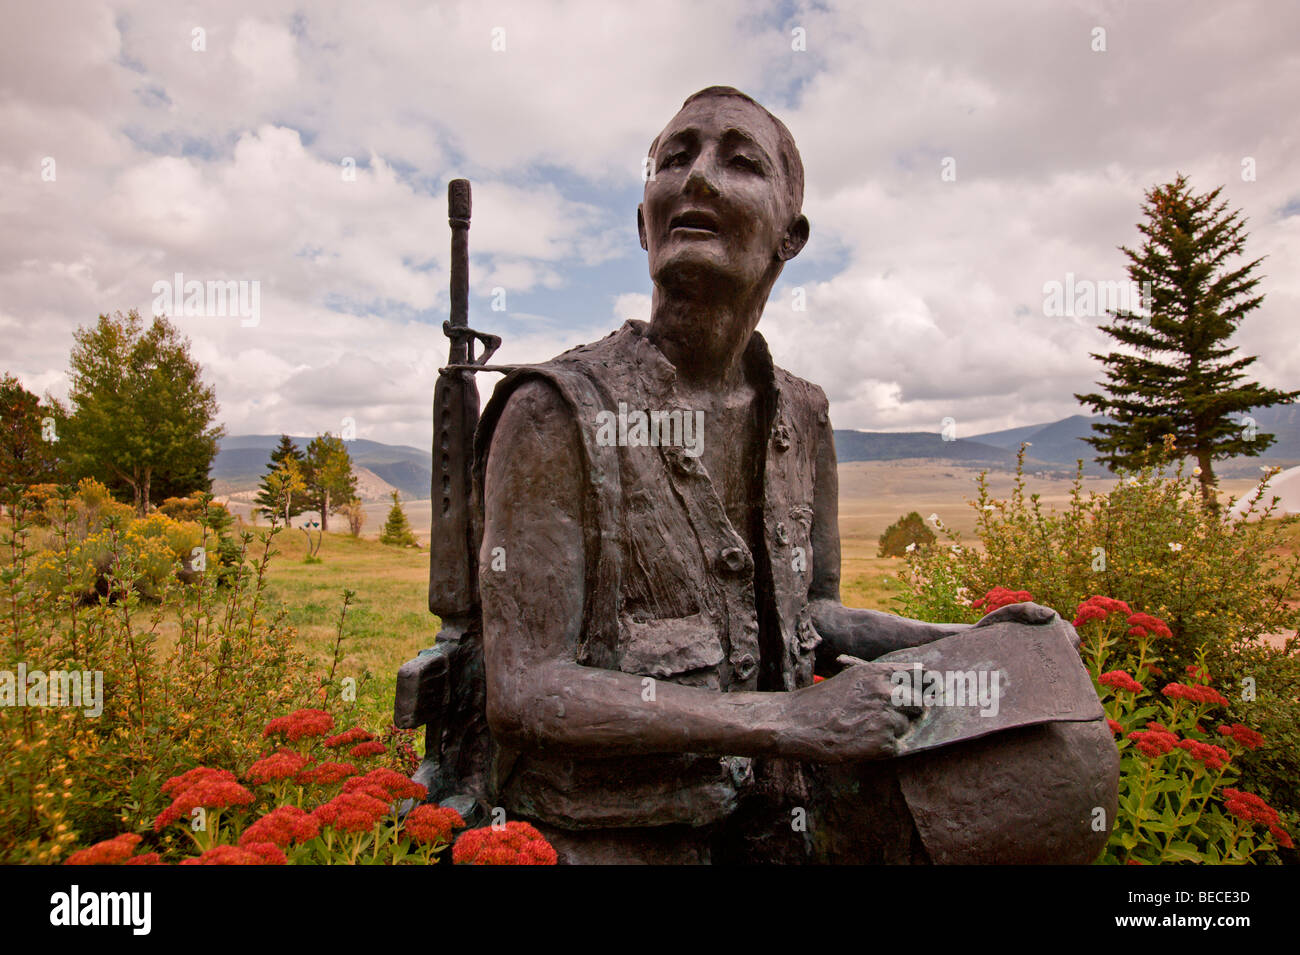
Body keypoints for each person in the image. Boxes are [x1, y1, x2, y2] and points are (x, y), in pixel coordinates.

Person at [473, 86, 1114, 864]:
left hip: (779, 823)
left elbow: (811, 613)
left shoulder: (802, 415)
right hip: (606, 838)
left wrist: (960, 639)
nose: (697, 178)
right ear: (644, 220)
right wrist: (791, 721)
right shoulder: (554, 412)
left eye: (739, 162)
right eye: (673, 160)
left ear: (791, 234)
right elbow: (526, 686)